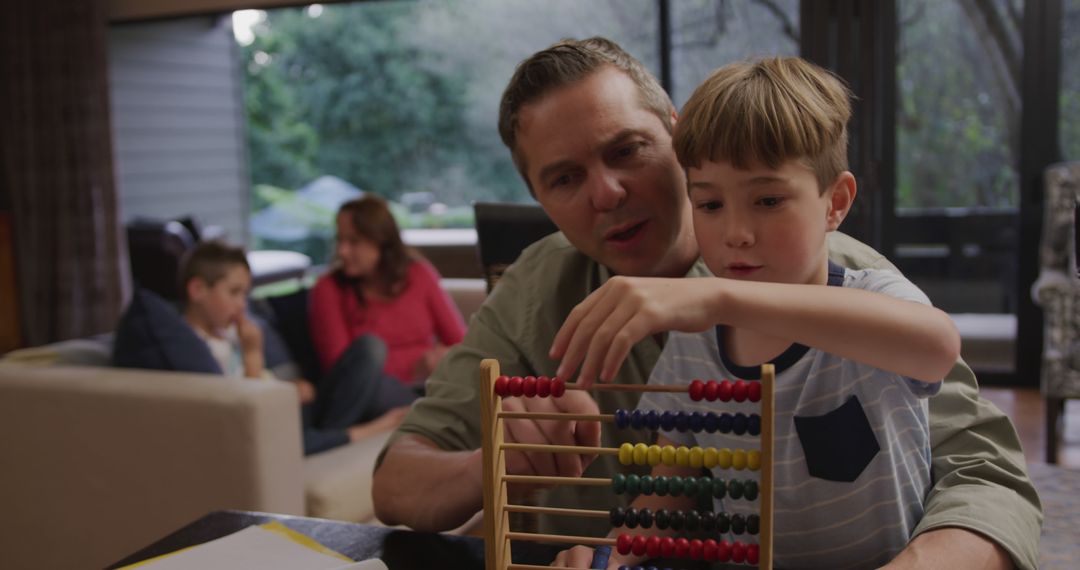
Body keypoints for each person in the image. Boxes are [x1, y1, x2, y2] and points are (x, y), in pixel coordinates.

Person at [372, 37, 1041, 569]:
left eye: (627, 149)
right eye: (566, 178)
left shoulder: (837, 285)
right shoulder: (536, 284)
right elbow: (399, 482)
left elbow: (984, 470)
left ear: (675, 135)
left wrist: (722, 294)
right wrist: (507, 460)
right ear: (539, 198)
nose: (605, 193)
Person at [548, 56, 960, 569]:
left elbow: (938, 346)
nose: (736, 233)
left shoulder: (871, 299)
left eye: (767, 200)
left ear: (835, 202)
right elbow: (669, 491)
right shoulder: (694, 344)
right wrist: (607, 557)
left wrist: (722, 298)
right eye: (711, 205)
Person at [179, 240, 408, 454]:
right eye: (233, 292)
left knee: (370, 348)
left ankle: (328, 436)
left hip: (292, 410)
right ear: (198, 289)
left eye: (245, 294)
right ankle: (365, 430)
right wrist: (252, 353)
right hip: (275, 428)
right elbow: (249, 414)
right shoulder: (193, 350)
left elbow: (260, 382)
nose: (241, 305)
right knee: (299, 438)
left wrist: (287, 388)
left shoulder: (228, 333)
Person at [309, 195, 467, 392]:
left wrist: (442, 358)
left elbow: (460, 341)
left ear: (381, 241)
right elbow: (344, 371)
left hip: (429, 381)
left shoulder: (419, 273)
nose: (342, 251)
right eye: (340, 240)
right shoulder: (328, 288)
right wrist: (415, 367)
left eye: (354, 241)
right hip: (369, 391)